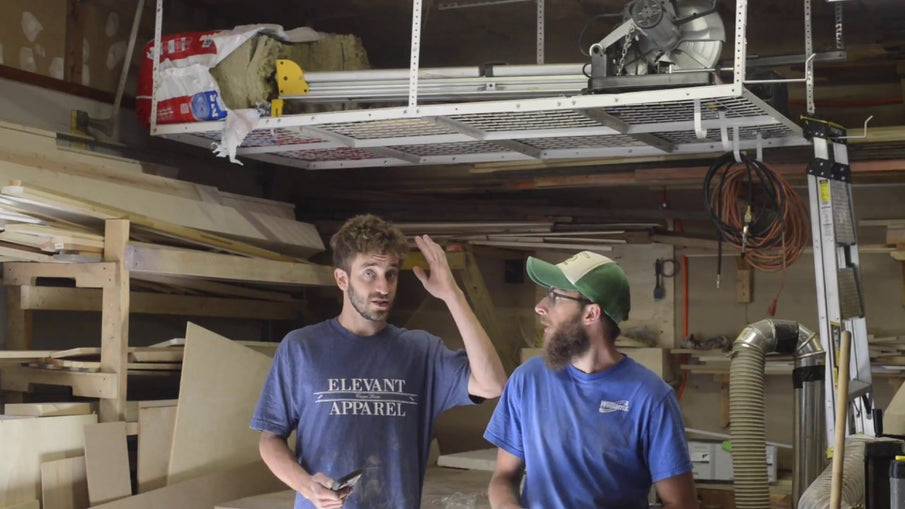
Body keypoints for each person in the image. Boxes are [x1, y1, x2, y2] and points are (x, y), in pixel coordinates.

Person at [250, 214, 507, 509]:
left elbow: (492, 384)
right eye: (370, 273)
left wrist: (452, 294)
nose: (384, 287)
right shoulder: (302, 347)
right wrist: (306, 485)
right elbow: (270, 439)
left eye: (391, 273)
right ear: (342, 278)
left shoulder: (420, 351)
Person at [484, 251, 697, 509]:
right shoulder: (528, 380)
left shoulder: (650, 397)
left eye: (555, 297)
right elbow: (503, 478)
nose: (540, 306)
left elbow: (680, 502)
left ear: (591, 313)